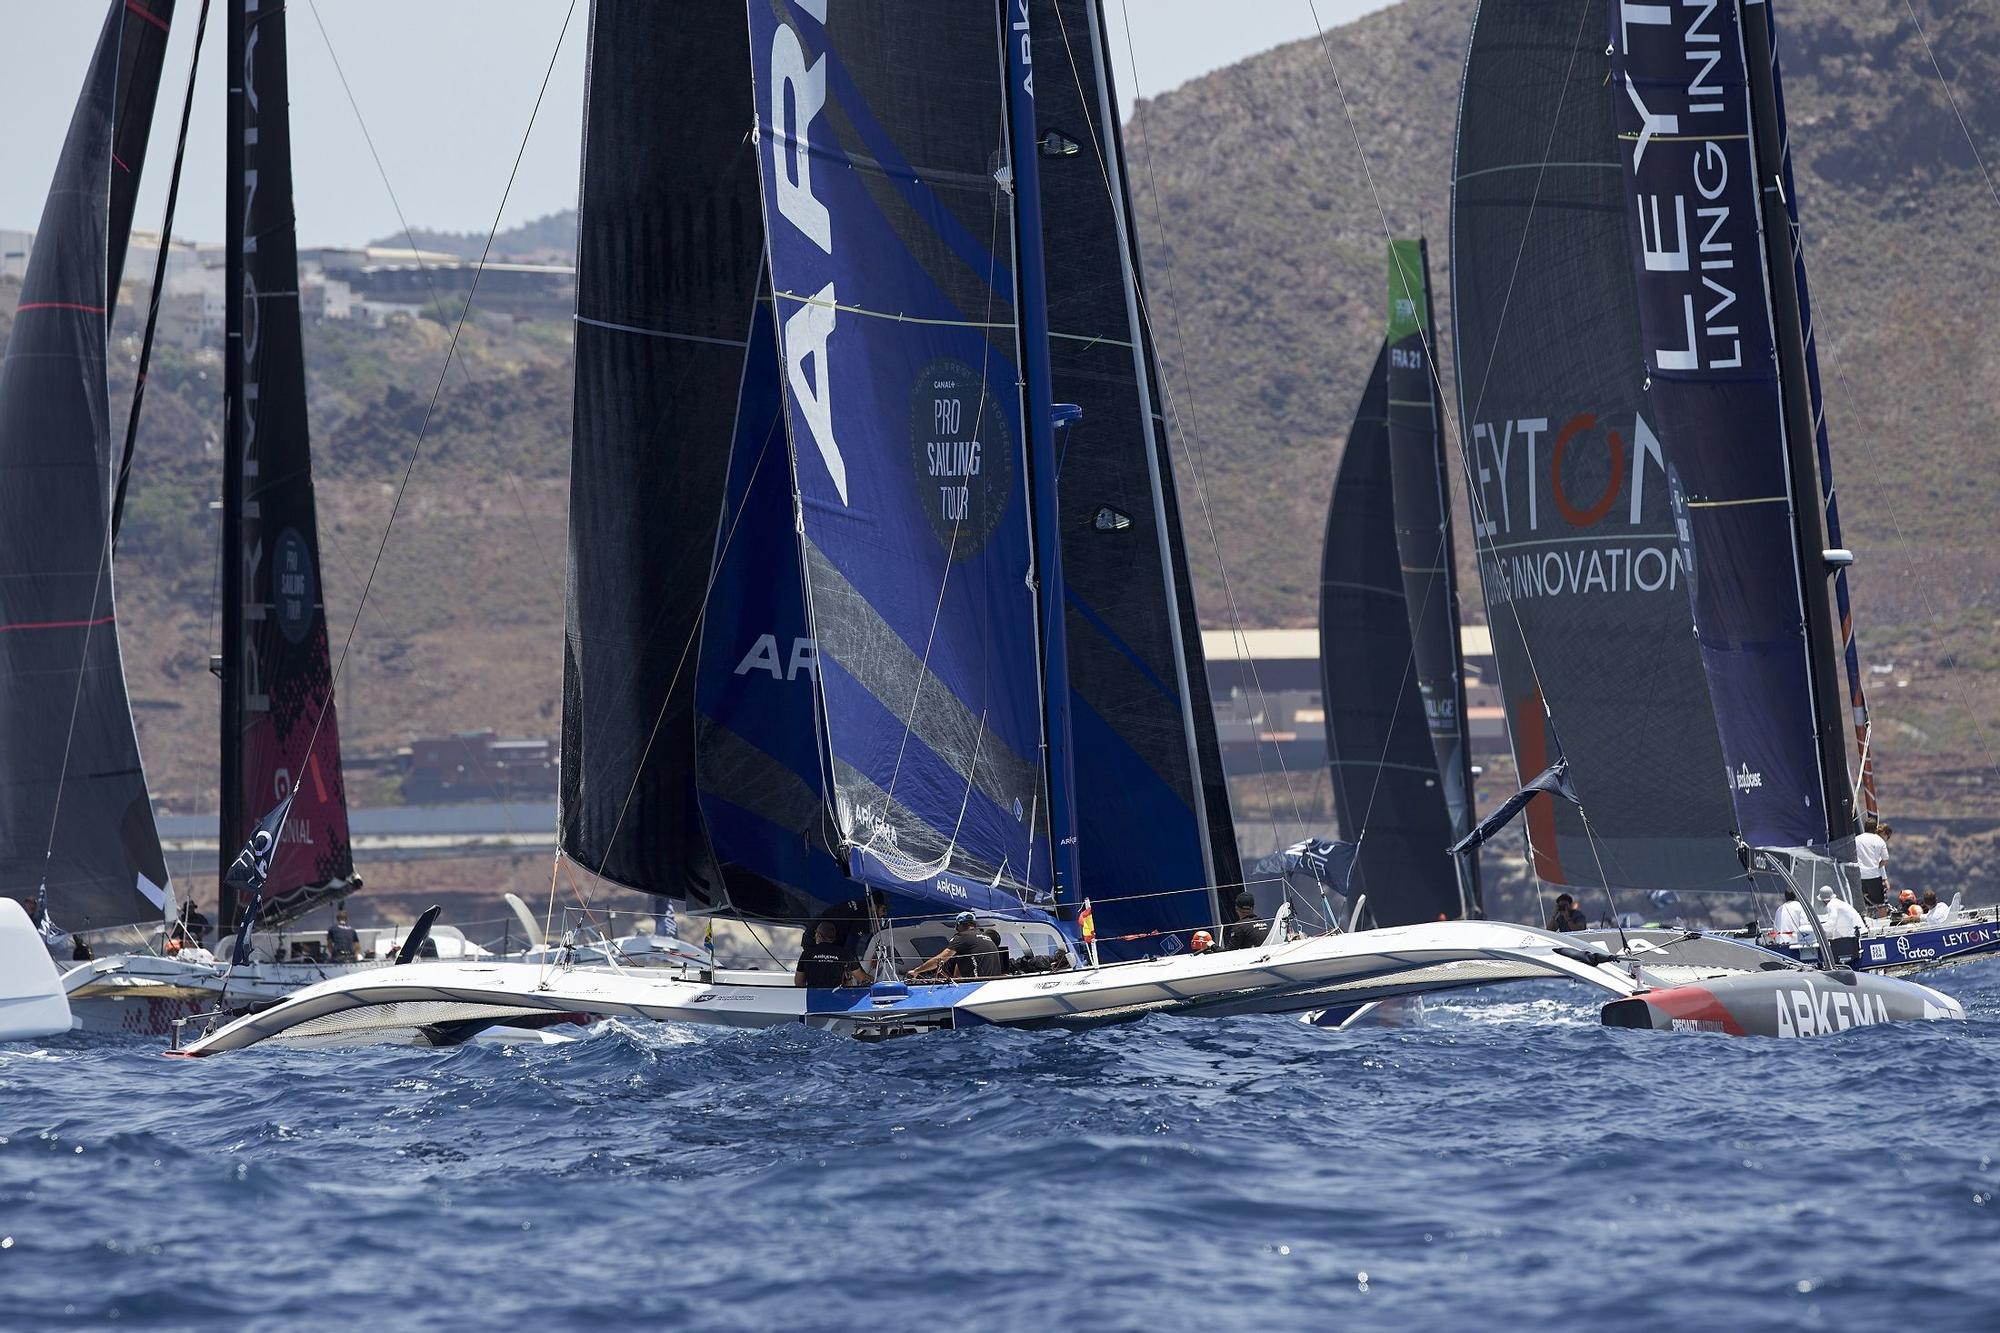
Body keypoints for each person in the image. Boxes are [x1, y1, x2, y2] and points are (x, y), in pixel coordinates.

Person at [909, 911, 1000, 980]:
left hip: (978, 985)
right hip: (993, 984)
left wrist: (916, 971)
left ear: (959, 924)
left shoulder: (962, 936)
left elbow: (940, 959)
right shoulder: (985, 936)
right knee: (961, 954)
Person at [793, 919, 867, 988]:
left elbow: (799, 982)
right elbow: (861, 978)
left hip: (813, 997)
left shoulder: (806, 953)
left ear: (818, 935)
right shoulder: (844, 953)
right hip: (835, 996)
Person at [1855, 818, 1890, 911]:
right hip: (1874, 876)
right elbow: (1885, 859)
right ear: (1875, 829)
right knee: (1880, 905)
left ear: (1865, 827)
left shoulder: (1856, 839)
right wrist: (1877, 867)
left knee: (1861, 904)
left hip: (1859, 876)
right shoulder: (1879, 841)